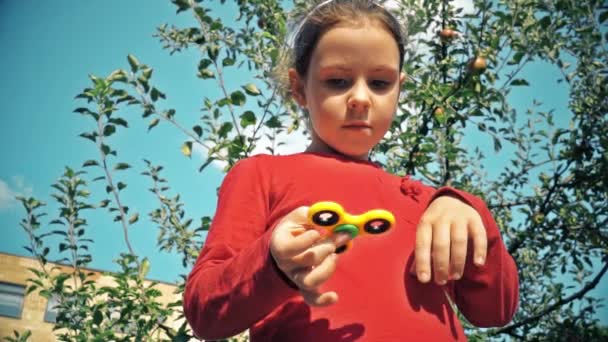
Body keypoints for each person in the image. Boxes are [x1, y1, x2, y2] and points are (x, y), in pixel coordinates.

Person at [184, 0, 519, 340]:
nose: (361, 97)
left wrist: (469, 208)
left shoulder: (427, 202)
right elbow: (205, 312)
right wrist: (271, 263)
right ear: (299, 87)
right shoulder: (260, 174)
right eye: (338, 81)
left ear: (399, 88)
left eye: (379, 83)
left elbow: (496, 309)